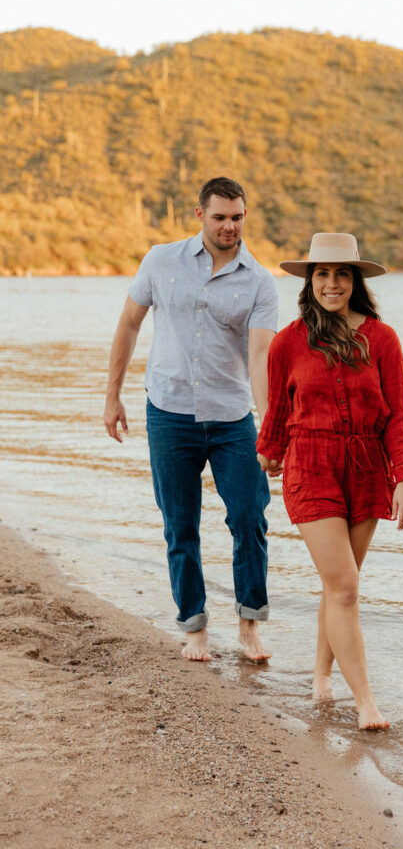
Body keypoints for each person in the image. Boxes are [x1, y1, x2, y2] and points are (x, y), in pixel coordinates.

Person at [256, 233, 403, 729]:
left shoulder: (383, 338)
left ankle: (320, 676)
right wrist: (267, 454)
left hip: (367, 468)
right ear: (310, 281)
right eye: (323, 274)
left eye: (342, 274)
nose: (332, 283)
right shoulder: (288, 341)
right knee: (346, 585)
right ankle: (365, 702)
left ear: (356, 281)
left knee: (338, 588)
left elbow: (398, 416)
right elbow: (279, 412)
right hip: (310, 466)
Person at [103, 177, 277, 663]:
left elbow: (261, 356)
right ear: (199, 214)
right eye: (220, 216)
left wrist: (270, 429)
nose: (229, 226)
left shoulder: (259, 282)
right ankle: (194, 627)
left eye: (237, 217)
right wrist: (112, 396)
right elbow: (129, 324)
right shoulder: (161, 260)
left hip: (232, 417)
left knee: (249, 518)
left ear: (245, 216)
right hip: (168, 412)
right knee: (180, 525)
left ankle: (249, 625)